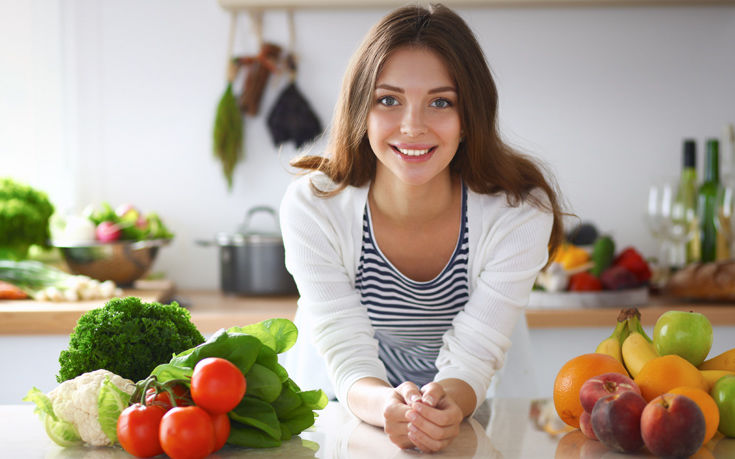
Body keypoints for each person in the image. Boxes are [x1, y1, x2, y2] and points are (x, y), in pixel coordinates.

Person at [279, 3, 564, 453]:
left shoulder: (519, 212)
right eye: (388, 99)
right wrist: (387, 405)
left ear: (470, 115)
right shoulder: (314, 205)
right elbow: (344, 347)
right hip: (340, 408)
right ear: (361, 109)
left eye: (440, 102)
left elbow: (476, 352)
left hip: (478, 409)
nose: (413, 126)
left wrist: (439, 406)